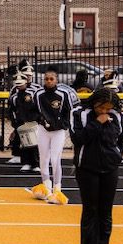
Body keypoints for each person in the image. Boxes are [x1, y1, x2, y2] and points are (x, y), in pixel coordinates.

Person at [69, 88, 123, 244]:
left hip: (110, 168)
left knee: (106, 210)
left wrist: (117, 157)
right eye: (101, 107)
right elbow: (78, 138)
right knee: (91, 209)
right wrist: (97, 123)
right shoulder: (79, 113)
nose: (104, 111)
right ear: (94, 102)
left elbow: (121, 140)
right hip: (87, 167)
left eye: (108, 108)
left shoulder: (118, 116)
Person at [31, 66, 73, 204]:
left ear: (56, 80)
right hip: (43, 130)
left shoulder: (63, 94)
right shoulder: (38, 94)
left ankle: (57, 189)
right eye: (46, 79)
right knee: (43, 159)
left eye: (51, 79)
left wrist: (63, 124)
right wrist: (40, 120)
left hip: (58, 131)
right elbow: (34, 110)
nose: (49, 81)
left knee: (55, 159)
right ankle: (46, 187)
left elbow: (69, 111)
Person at [8, 71, 40, 173]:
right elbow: (12, 111)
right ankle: (26, 163)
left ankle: (35, 163)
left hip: (33, 122)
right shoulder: (14, 97)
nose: (19, 86)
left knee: (34, 144)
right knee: (24, 143)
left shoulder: (32, 94)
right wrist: (15, 124)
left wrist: (36, 120)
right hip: (21, 123)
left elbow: (37, 108)